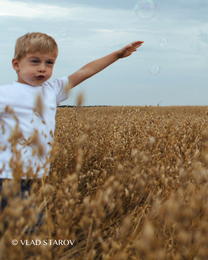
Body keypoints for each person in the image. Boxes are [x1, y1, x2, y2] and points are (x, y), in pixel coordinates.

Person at [0, 32, 142, 230]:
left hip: (31, 174)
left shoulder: (52, 90)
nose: (42, 68)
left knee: (14, 225)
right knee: (32, 228)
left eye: (49, 63)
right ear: (16, 64)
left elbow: (85, 71)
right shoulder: (5, 94)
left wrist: (117, 55)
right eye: (35, 61)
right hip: (7, 174)